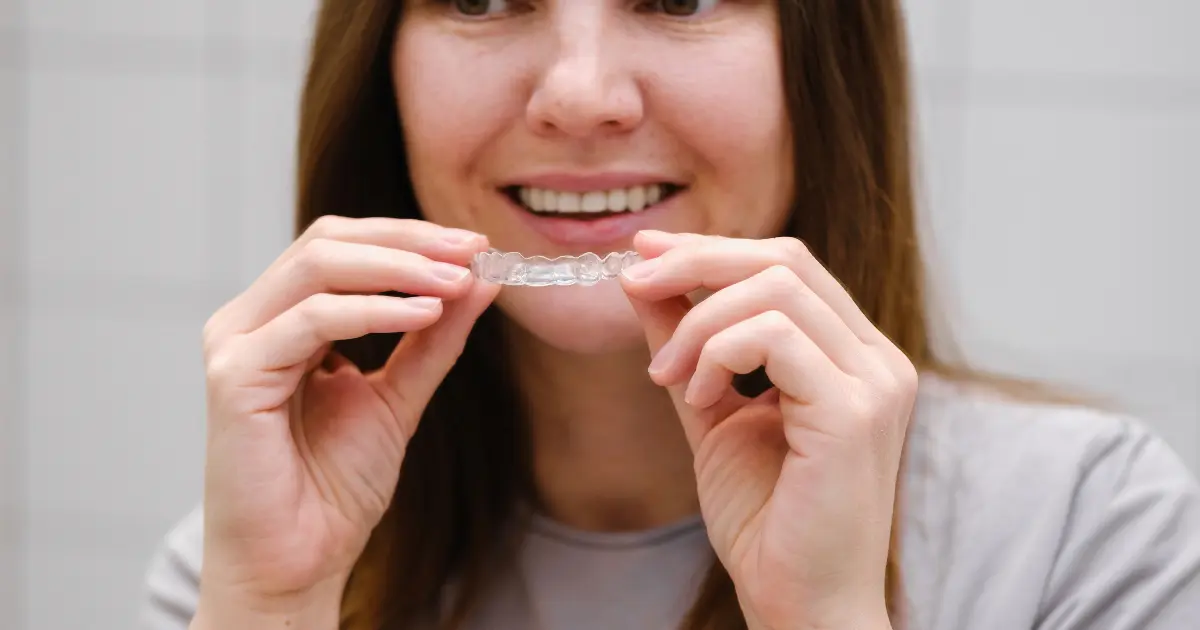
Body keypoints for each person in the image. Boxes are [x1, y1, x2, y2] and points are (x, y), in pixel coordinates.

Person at [137, 1, 1200, 629]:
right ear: (382, 71)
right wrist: (270, 610)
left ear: (820, 60)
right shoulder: (243, 566)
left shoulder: (1083, 534)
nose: (581, 95)